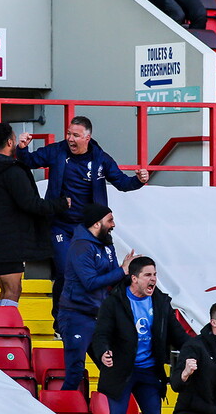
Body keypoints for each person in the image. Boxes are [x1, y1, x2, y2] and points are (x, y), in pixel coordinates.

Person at [17, 116, 149, 332]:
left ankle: (106, 320)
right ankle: (61, 323)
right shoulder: (57, 151)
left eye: (75, 135)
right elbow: (30, 161)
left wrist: (139, 180)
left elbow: (123, 183)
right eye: (68, 133)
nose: (70, 138)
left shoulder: (100, 159)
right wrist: (23, 148)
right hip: (60, 225)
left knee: (105, 272)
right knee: (65, 271)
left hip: (91, 229)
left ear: (88, 137)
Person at [91, 256, 191, 414]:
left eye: (154, 274)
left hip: (149, 371)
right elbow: (101, 333)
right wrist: (103, 352)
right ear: (134, 278)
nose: (153, 279)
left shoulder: (161, 303)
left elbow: (177, 334)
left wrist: (197, 349)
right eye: (147, 275)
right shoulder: (113, 302)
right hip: (120, 370)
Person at [0, 122, 71, 307]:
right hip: (8, 242)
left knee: (5, 290)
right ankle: (5, 333)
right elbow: (31, 204)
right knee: (13, 290)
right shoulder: (12, 171)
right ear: (10, 142)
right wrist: (61, 204)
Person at [59, 203, 137, 391]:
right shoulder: (81, 247)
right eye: (110, 220)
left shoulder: (107, 245)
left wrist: (131, 275)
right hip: (75, 316)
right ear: (96, 224)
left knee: (112, 370)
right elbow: (90, 282)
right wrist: (121, 271)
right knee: (75, 373)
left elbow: (114, 277)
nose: (114, 225)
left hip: (99, 317)